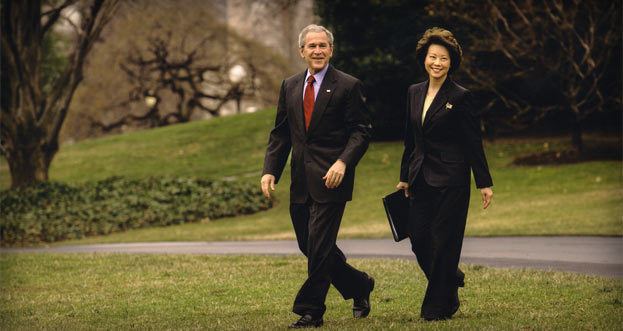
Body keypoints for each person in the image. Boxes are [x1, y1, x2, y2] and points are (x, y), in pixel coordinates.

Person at [261, 24, 374, 329]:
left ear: (331, 50)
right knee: (308, 245)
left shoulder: (348, 85)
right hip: (301, 180)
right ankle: (359, 285)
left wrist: (343, 163)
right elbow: (281, 133)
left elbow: (361, 132)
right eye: (312, 46)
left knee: (321, 246)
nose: (318, 51)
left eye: (323, 45)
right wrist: (270, 169)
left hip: (332, 179)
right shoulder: (290, 85)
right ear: (302, 52)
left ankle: (311, 310)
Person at [396, 27, 494, 321]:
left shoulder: (461, 97)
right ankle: (450, 277)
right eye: (432, 57)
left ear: (452, 63)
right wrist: (404, 176)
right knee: (418, 238)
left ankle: (438, 307)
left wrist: (484, 182)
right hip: (419, 177)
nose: (437, 62)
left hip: (452, 179)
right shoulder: (414, 91)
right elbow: (410, 139)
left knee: (445, 241)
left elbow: (472, 141)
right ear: (424, 59)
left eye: (443, 58)